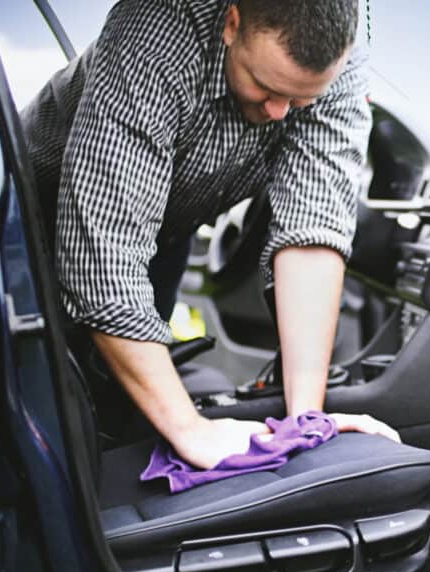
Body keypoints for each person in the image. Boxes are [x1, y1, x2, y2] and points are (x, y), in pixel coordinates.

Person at [21, 0, 399, 471]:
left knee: (113, 404)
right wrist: (191, 431)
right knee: (31, 406)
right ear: (232, 23)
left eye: (301, 101)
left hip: (159, 234)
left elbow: (313, 232)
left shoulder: (338, 71)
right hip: (19, 230)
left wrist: (306, 420)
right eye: (263, 86)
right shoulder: (155, 33)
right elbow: (104, 258)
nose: (281, 112)